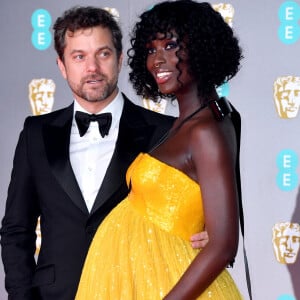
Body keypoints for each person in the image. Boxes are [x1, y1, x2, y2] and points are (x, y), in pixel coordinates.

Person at [0, 6, 208, 300]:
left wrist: (209, 232)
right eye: (79, 56)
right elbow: (15, 230)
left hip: (138, 291)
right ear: (62, 65)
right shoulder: (36, 134)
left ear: (120, 59)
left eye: (103, 53)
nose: (92, 68)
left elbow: (203, 211)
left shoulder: (165, 131)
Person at [75, 1, 243, 299]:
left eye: (171, 45)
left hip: (169, 284)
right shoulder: (186, 123)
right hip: (146, 280)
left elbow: (223, 244)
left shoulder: (205, 130)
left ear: (203, 48)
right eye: (151, 50)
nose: (157, 61)